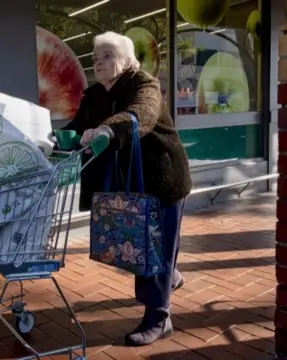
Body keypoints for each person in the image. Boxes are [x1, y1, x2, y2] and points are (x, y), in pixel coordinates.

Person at [60, 31, 193, 346]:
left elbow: (141, 115)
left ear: (127, 59)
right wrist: (50, 140)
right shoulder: (95, 95)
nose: (99, 61)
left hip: (163, 178)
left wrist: (108, 128)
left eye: (108, 55)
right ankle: (170, 278)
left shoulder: (144, 84)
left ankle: (159, 319)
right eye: (96, 56)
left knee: (154, 250)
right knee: (155, 249)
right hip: (132, 182)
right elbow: (76, 128)